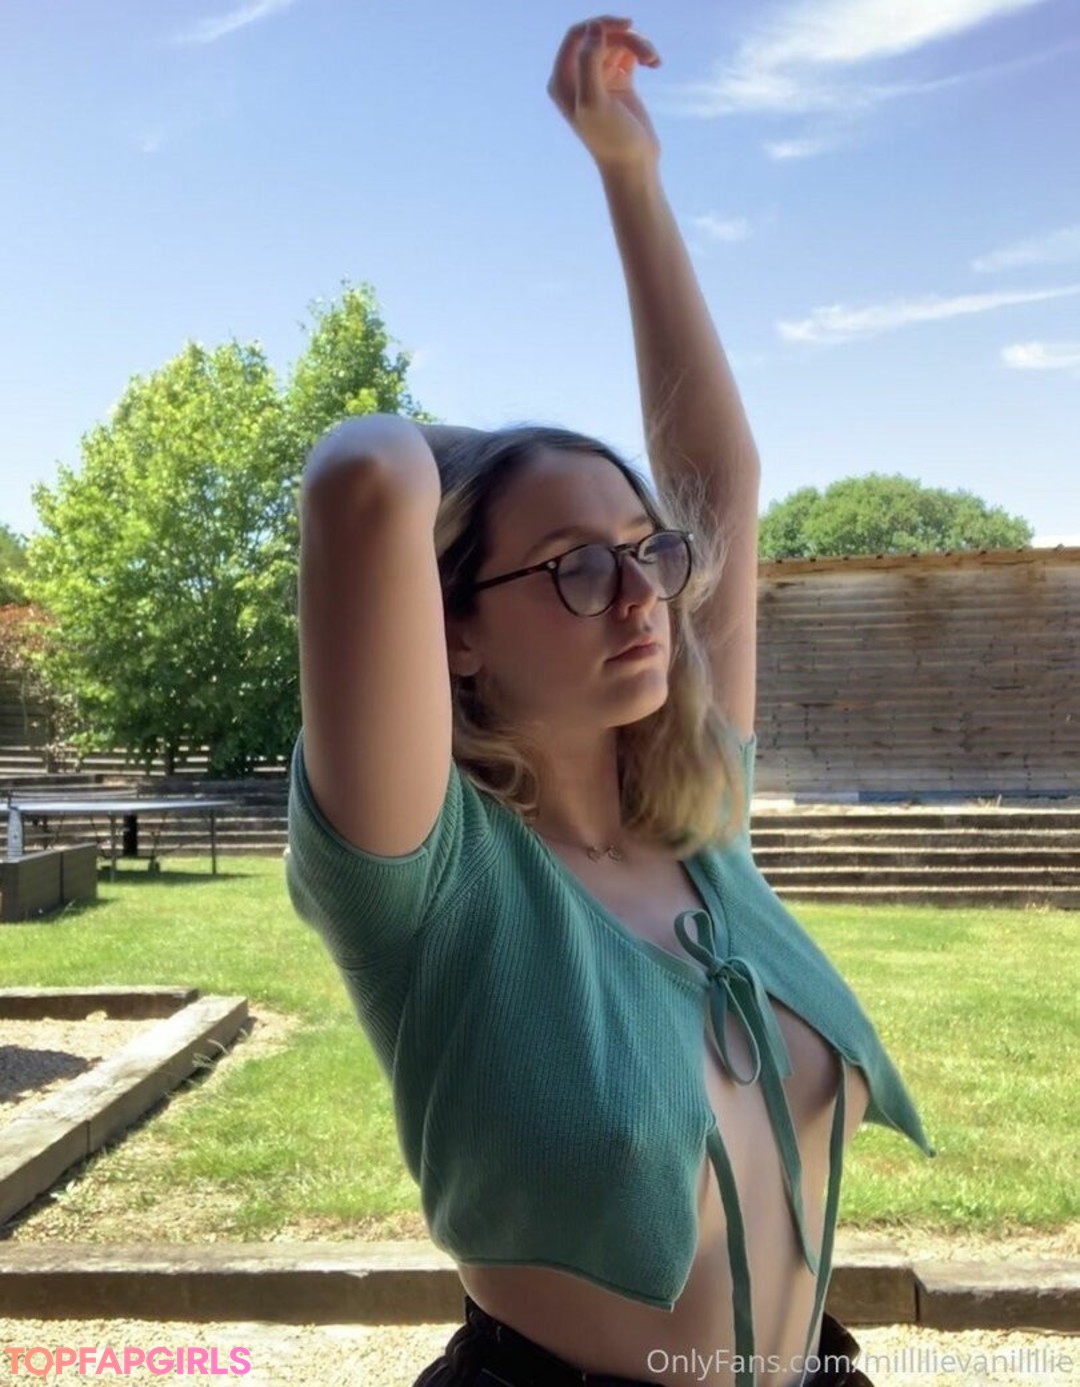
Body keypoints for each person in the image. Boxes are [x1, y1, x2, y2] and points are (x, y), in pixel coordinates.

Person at [285, 16, 934, 1387]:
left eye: (647, 553)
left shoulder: (703, 823)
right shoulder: (429, 882)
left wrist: (630, 175)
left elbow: (718, 483)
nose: (642, 595)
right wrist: (477, 453)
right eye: (576, 566)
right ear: (454, 634)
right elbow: (361, 480)